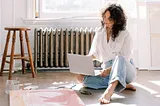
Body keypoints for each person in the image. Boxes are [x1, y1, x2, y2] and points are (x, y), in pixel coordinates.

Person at [77, 4, 137, 104]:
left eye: (110, 19)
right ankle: (123, 85)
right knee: (85, 81)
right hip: (107, 70)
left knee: (119, 58)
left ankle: (110, 90)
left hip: (126, 70)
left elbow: (125, 58)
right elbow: (94, 54)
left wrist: (109, 70)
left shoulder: (125, 34)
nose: (106, 21)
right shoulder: (100, 32)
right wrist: (82, 69)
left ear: (117, 20)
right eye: (105, 17)